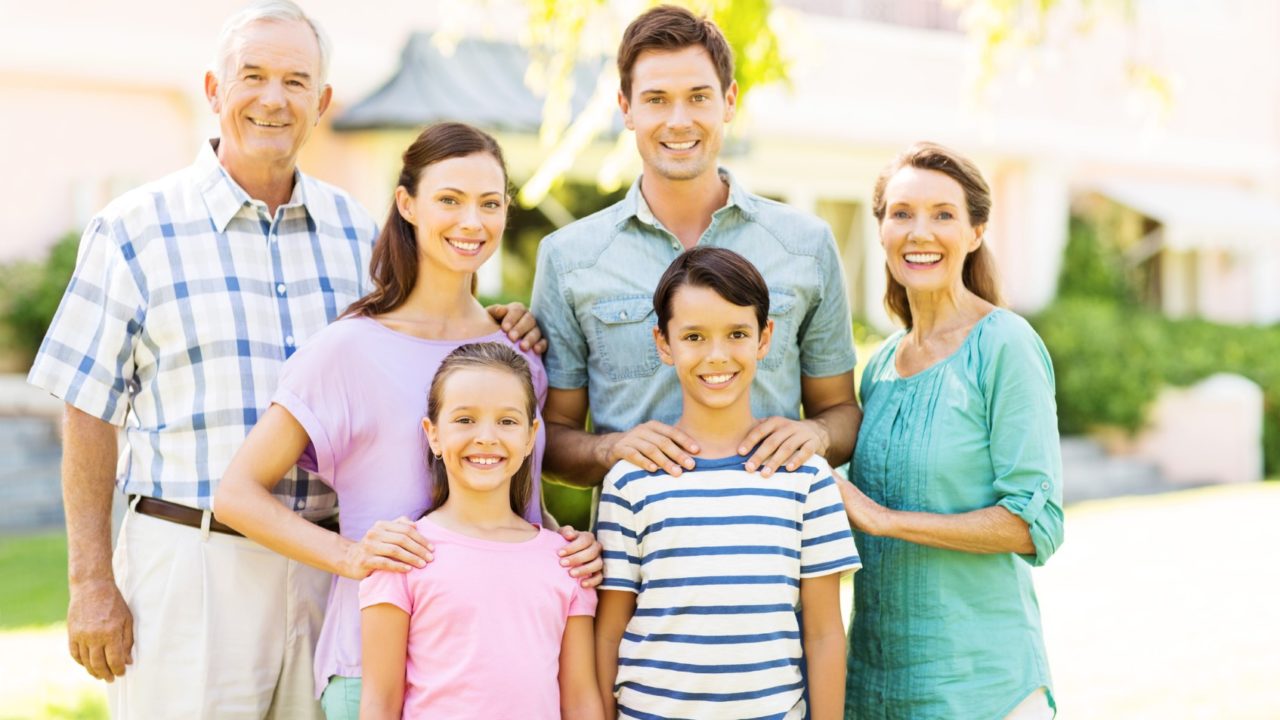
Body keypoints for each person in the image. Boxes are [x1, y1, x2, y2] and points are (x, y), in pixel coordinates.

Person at [25, 4, 542, 717]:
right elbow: (87, 410)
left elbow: (416, 343)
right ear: (214, 89)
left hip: (328, 568)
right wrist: (89, 581)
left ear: (322, 103)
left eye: (297, 82)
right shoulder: (134, 229)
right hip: (194, 556)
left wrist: (500, 324)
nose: (274, 99)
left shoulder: (354, 231)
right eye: (254, 77)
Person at [213, 122, 601, 719]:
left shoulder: (519, 351)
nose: (471, 222)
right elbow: (236, 494)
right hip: (376, 672)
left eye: (490, 204)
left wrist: (563, 544)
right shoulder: (347, 350)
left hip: (504, 672)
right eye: (449, 199)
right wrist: (352, 556)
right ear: (407, 204)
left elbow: (517, 499)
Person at [531, 4, 861, 491]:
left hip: (777, 547)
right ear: (627, 109)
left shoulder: (805, 245)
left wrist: (814, 434)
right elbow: (547, 439)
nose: (679, 120)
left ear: (729, 101)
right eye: (657, 99)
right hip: (639, 554)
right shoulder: (569, 258)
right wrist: (609, 449)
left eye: (698, 97)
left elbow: (841, 412)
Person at [837, 142, 1064, 719]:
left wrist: (884, 520)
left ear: (975, 232)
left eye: (943, 214)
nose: (920, 232)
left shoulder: (1004, 345)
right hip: (875, 691)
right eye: (901, 213)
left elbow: (1034, 523)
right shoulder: (880, 367)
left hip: (982, 689)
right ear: (882, 229)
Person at [595, 247, 860, 720]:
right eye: (694, 336)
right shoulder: (631, 481)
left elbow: (823, 634)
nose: (716, 355)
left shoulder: (808, 478)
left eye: (737, 333)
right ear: (664, 343)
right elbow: (610, 629)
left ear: (764, 338)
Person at [359, 342, 603, 720]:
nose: (486, 436)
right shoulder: (402, 556)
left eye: (506, 421)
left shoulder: (565, 562)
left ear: (529, 436)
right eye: (465, 420)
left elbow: (581, 702)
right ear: (433, 434)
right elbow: (379, 703)